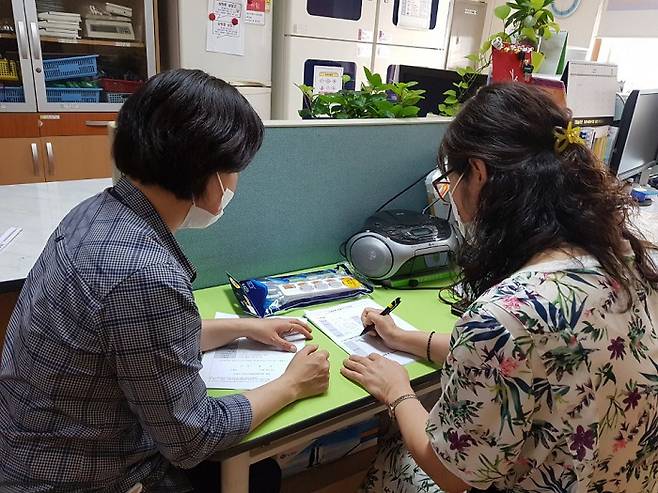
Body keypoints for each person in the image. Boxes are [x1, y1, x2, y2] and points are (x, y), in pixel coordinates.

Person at [0, 69, 330, 492]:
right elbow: (192, 438)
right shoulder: (143, 273)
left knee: (260, 471)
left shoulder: (99, 212)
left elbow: (131, 341)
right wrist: (291, 385)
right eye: (235, 169)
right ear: (211, 177)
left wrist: (244, 328)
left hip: (29, 447)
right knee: (258, 474)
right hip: (76, 477)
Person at [341, 83, 658, 493]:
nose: (451, 196)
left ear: (478, 172)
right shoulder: (630, 262)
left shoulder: (505, 314)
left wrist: (397, 391)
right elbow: (532, 361)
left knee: (398, 447)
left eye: (451, 181)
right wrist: (406, 339)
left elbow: (452, 476)